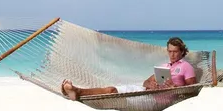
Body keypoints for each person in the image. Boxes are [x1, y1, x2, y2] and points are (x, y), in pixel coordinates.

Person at [60, 36, 197, 101]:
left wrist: (175, 87)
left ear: (182, 51)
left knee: (112, 92)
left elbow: (192, 90)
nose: (172, 54)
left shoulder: (186, 67)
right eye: (169, 51)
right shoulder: (164, 67)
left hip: (152, 100)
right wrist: (151, 84)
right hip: (144, 91)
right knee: (111, 89)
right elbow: (145, 82)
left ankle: (77, 92)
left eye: (175, 51)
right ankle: (75, 91)